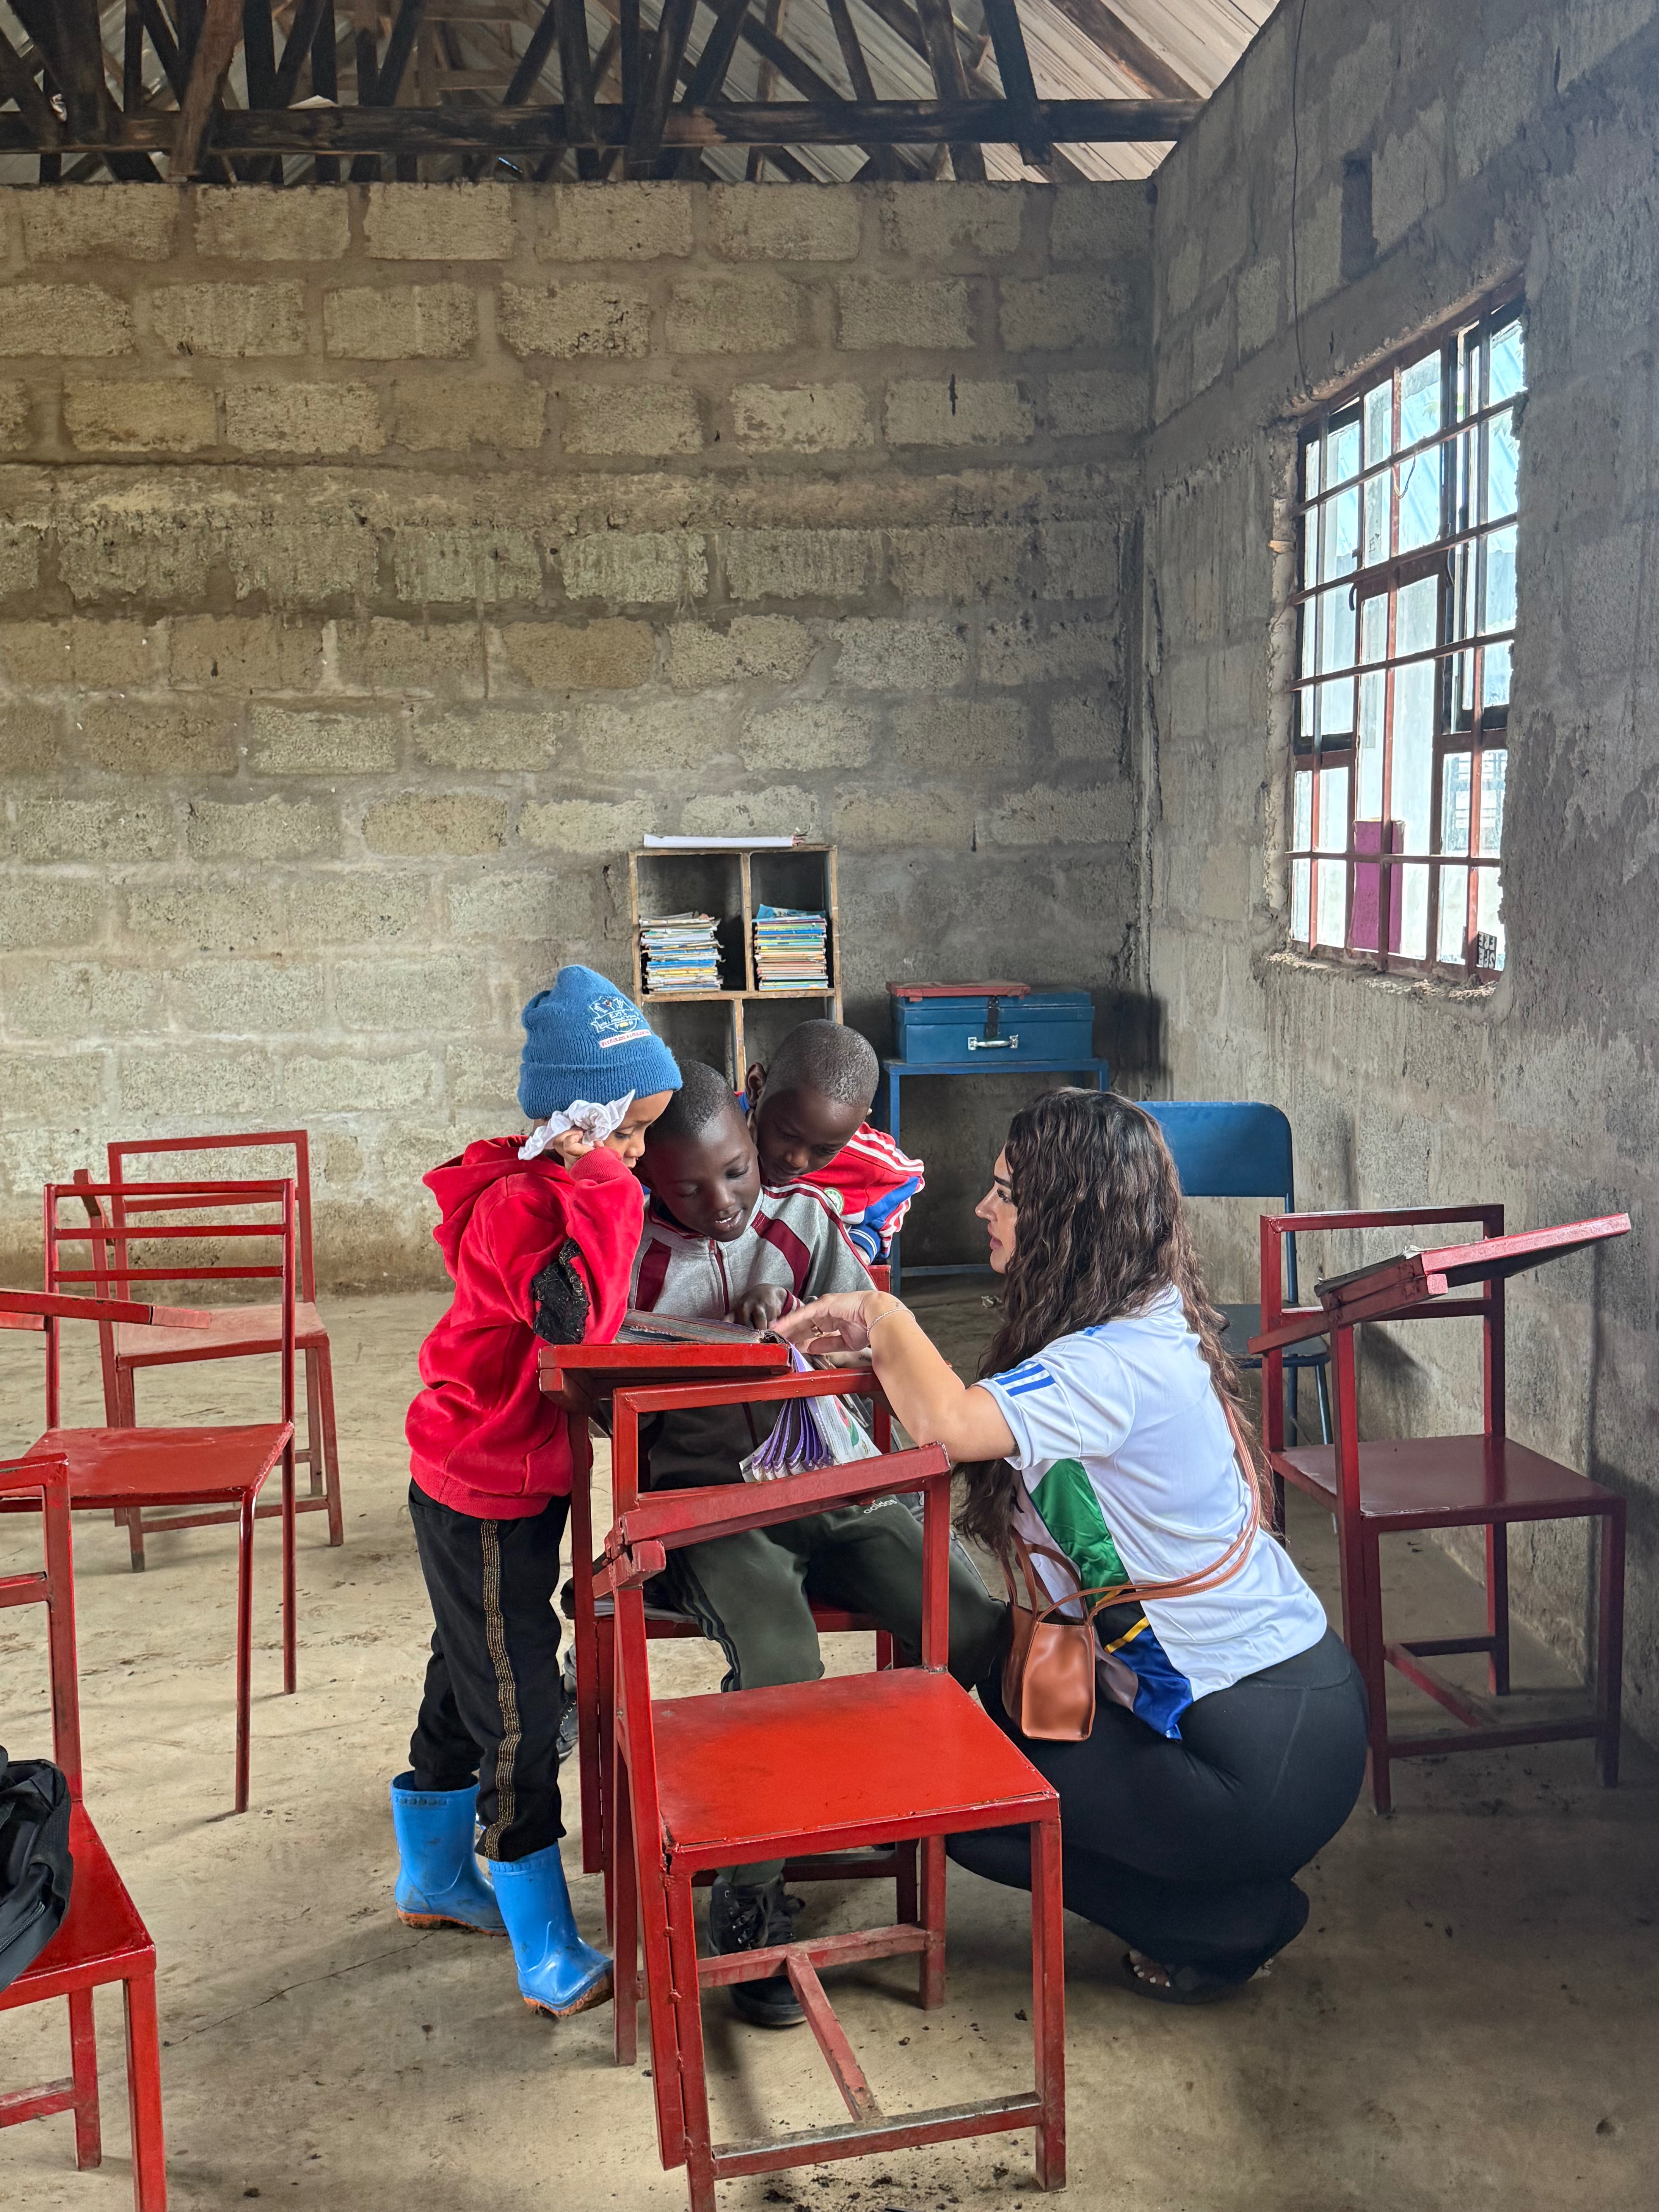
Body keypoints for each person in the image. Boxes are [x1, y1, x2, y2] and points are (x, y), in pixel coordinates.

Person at [778, 1088, 1369, 2004]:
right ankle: (1219, 1887)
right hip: (1288, 1707)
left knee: (963, 1807)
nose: (984, 1208)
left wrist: (882, 1316)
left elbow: (948, 1424)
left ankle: (1229, 1921)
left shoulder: (1109, 1363)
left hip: (1257, 1753)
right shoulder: (1139, 1313)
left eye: (1008, 1193)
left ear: (1070, 1212)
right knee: (1016, 1717)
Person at [632, 1062, 1008, 2029]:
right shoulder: (628, 1248)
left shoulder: (805, 1220)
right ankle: (749, 1900)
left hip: (832, 1479)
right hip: (711, 1507)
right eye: (688, 1189)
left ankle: (893, 1801)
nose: (722, 1204)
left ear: (751, 1141)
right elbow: (605, 1398)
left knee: (972, 1621)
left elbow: (873, 1345)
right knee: (781, 1666)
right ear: (648, 1181)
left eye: (736, 1173)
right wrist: (691, 1354)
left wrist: (806, 1326)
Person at [392, 967, 680, 2021]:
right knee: (519, 1706)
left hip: (505, 1477)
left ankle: (432, 1877)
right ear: (576, 1123)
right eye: (630, 1132)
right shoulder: (524, 1207)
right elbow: (576, 1330)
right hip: (481, 1487)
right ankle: (544, 1944)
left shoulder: (555, 1188)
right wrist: (609, 1182)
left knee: (466, 1664)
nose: (639, 1154)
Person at [743, 1018, 924, 1263]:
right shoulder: (713, 1136)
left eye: (824, 1150)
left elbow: (907, 1180)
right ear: (756, 1088)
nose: (797, 1161)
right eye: (787, 1134)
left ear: (856, 1125)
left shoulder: (863, 1157)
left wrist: (864, 1241)